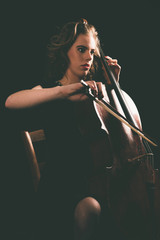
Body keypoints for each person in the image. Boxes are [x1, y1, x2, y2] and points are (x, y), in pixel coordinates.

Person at [5, 18, 123, 240]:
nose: (88, 57)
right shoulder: (50, 91)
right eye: (81, 49)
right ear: (65, 51)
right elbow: (11, 102)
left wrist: (113, 89)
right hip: (61, 189)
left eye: (91, 52)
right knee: (90, 208)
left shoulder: (96, 92)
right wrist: (63, 91)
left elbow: (120, 138)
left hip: (100, 184)